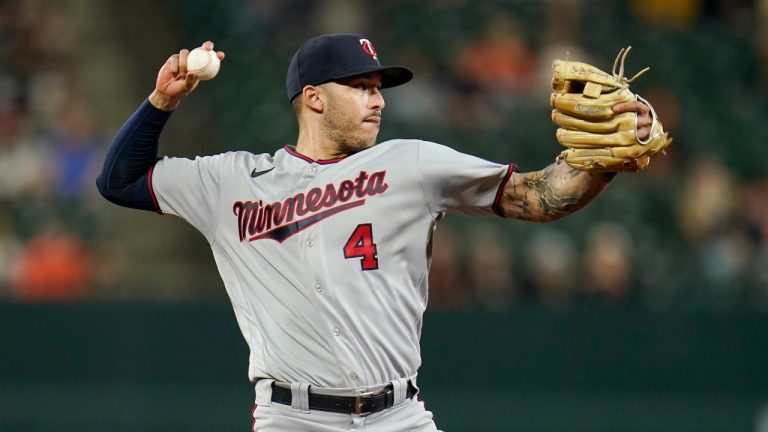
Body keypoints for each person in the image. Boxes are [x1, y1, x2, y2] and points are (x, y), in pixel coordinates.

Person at [97, 34, 659, 431]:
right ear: (314, 97)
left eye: (378, 87)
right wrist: (161, 103)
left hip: (399, 417)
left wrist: (602, 160)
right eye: (361, 86)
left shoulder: (411, 163)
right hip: (292, 419)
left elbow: (538, 197)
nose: (378, 99)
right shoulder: (233, 182)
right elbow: (120, 181)